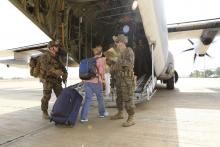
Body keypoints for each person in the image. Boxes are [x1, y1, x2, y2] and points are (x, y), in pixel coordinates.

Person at [109, 34, 136, 127]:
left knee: (128, 98)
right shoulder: (118, 53)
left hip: (127, 79)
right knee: (119, 97)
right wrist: (111, 68)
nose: (116, 44)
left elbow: (130, 64)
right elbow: (114, 67)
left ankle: (131, 117)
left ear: (122, 42)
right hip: (119, 79)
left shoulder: (129, 51)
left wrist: (117, 60)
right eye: (116, 43)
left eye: (118, 42)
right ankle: (120, 113)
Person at [39, 40, 68, 119]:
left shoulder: (57, 57)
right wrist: (56, 72)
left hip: (56, 80)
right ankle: (44, 112)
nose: (58, 48)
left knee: (61, 95)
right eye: (56, 46)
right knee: (47, 97)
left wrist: (65, 74)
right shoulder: (45, 56)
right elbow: (46, 67)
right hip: (48, 79)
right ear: (51, 48)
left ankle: (62, 110)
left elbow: (62, 67)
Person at [80, 46, 108, 122]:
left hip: (87, 81)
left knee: (88, 99)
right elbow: (101, 72)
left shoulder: (89, 60)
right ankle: (102, 113)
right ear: (101, 53)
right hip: (96, 82)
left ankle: (83, 117)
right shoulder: (101, 60)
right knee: (100, 98)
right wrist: (103, 80)